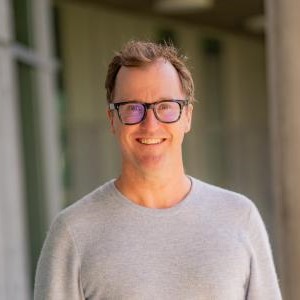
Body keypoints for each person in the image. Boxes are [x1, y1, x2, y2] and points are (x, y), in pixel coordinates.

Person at [34, 40, 282, 299]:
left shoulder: (239, 217)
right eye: (132, 108)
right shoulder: (73, 233)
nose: (150, 125)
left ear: (187, 116)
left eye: (165, 106)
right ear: (112, 120)